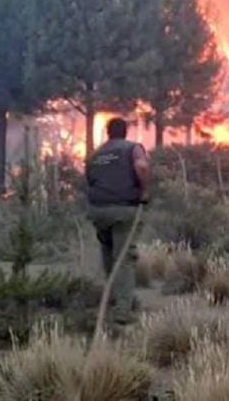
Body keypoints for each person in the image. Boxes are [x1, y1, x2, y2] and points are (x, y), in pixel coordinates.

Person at [85, 117, 150, 323]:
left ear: (108, 133)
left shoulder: (95, 155)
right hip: (124, 209)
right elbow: (142, 167)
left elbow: (89, 180)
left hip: (99, 211)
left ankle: (116, 298)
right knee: (124, 258)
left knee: (109, 255)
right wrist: (145, 191)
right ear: (125, 132)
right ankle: (123, 310)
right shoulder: (133, 148)